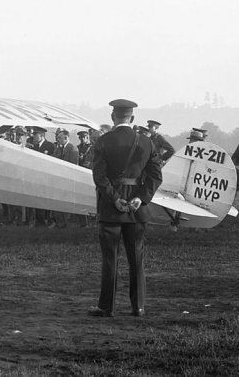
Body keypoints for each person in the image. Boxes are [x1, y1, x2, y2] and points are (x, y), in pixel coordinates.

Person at [88, 99, 162, 318]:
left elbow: (99, 177)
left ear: (113, 117)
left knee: (110, 258)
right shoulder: (147, 143)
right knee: (136, 259)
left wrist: (115, 199)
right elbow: (156, 176)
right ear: (133, 119)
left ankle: (106, 307)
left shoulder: (103, 141)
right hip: (137, 210)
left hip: (111, 209)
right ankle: (138, 306)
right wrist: (141, 199)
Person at [51, 129, 80, 228]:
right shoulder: (58, 148)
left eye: (59, 138)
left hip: (68, 179)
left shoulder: (73, 148)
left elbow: (74, 165)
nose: (57, 140)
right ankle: (60, 222)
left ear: (66, 138)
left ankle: (67, 222)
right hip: (60, 179)